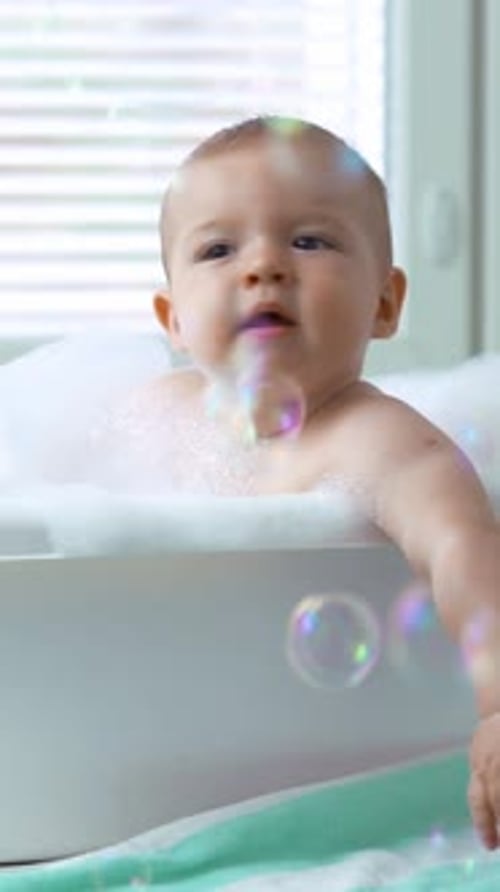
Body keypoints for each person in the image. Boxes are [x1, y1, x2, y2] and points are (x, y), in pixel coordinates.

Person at [90, 116, 500, 849]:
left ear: (385, 303)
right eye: (218, 249)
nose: (263, 267)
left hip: (288, 757)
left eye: (309, 241)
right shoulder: (151, 413)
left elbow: (462, 549)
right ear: (173, 319)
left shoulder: (377, 439)